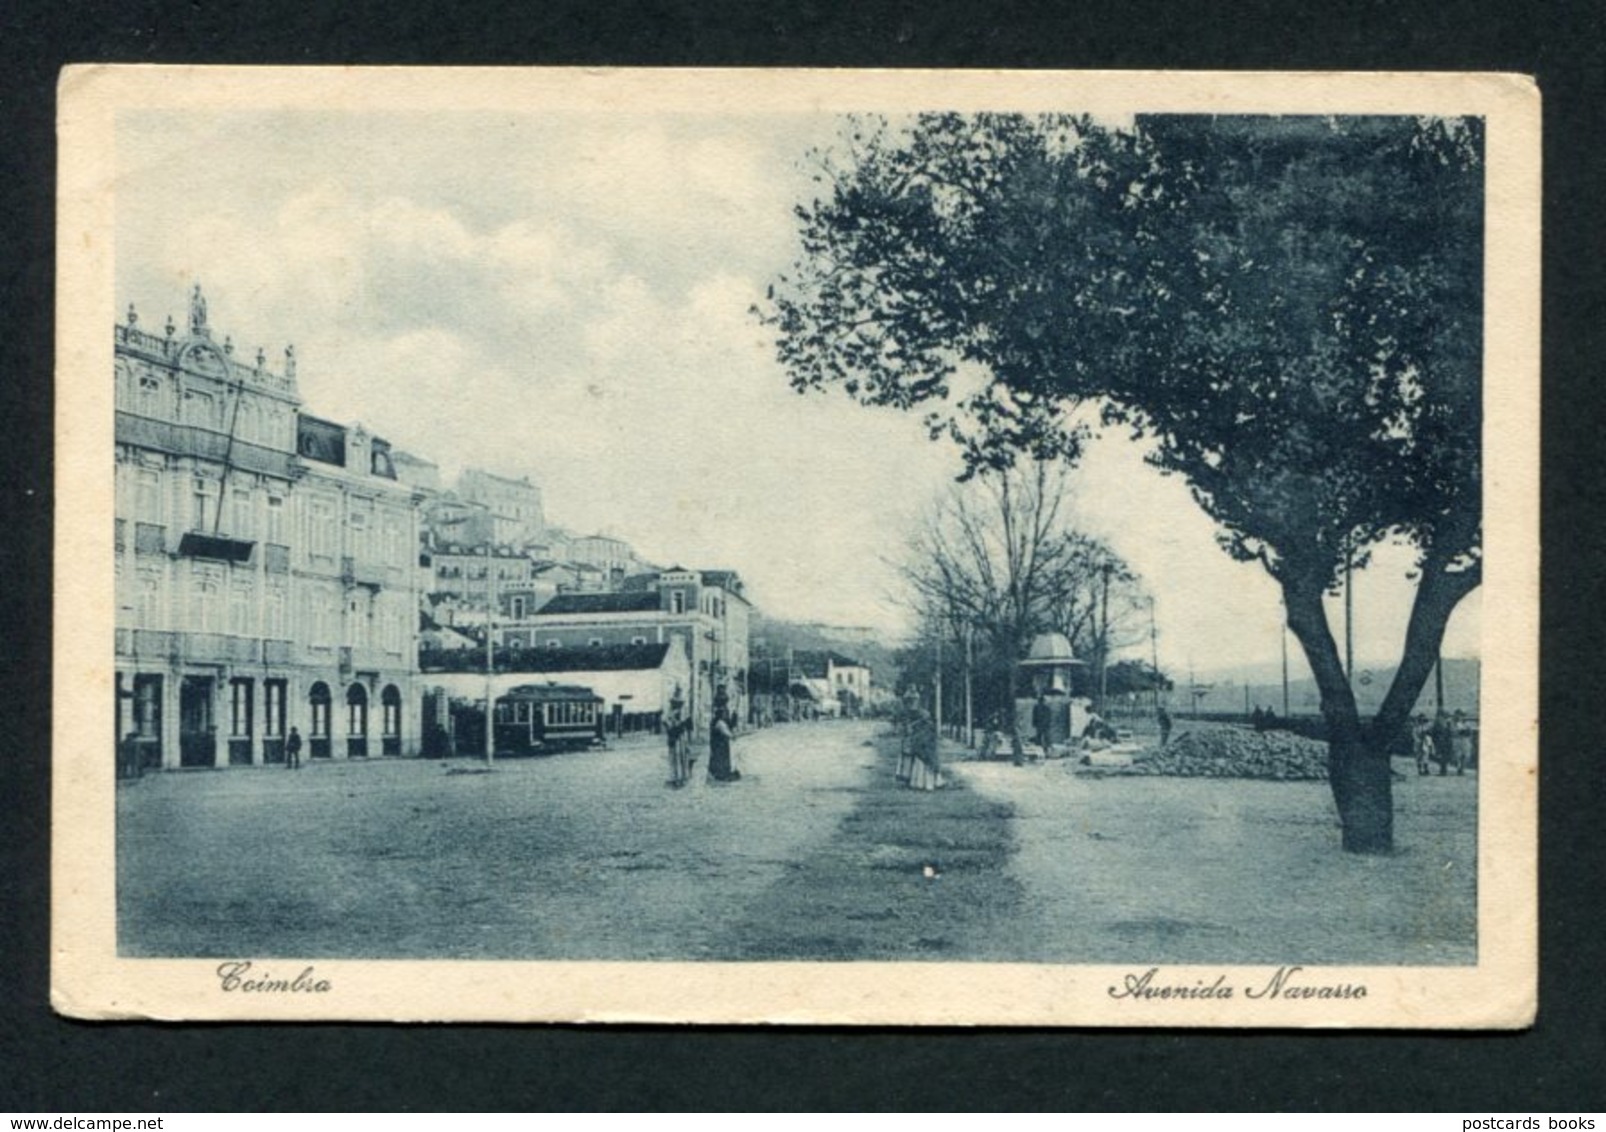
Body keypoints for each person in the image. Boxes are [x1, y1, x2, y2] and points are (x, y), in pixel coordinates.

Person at [707, 709, 740, 782]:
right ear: (721, 715)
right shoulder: (720, 723)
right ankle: (721, 775)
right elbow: (726, 732)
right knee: (721, 759)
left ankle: (719, 773)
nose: (725, 715)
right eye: (724, 714)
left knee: (719, 758)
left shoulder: (717, 722)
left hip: (718, 744)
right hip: (720, 745)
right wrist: (732, 736)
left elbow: (729, 727)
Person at [664, 695, 691, 788]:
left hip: (680, 737)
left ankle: (680, 777)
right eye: (675, 704)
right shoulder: (670, 714)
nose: (676, 706)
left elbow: (685, 726)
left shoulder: (681, 714)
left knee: (679, 757)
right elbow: (667, 724)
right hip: (675, 737)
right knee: (676, 757)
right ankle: (677, 777)